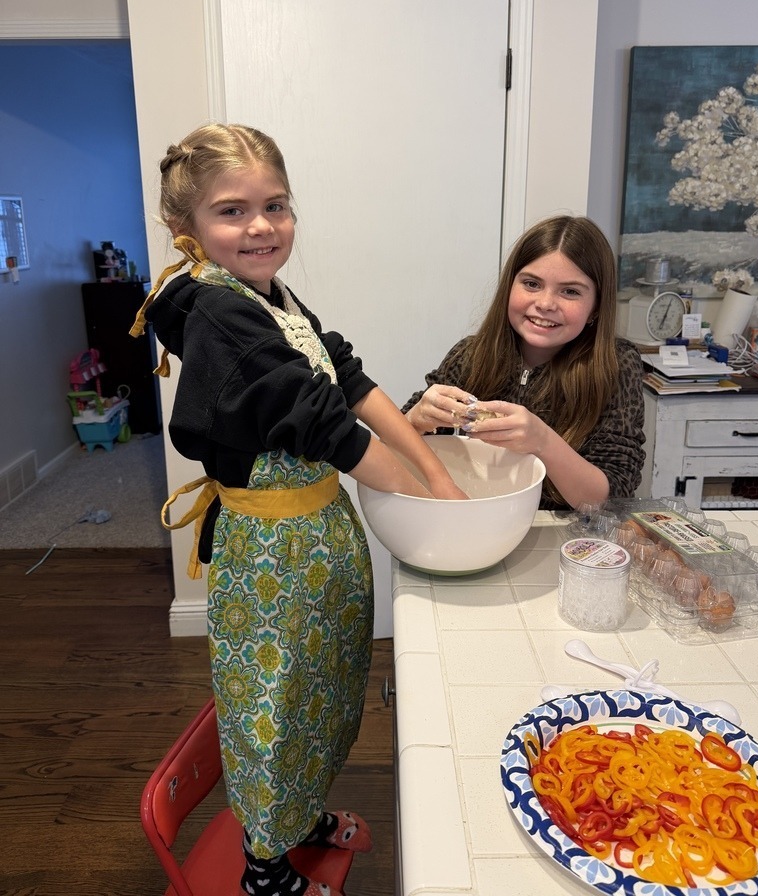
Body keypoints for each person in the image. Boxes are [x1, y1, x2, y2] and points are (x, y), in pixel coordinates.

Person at [130, 123, 465, 896]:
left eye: (275, 205)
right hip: (273, 556)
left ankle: (301, 815)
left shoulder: (269, 293)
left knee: (325, 691)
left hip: (320, 532)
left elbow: (344, 379)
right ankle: (264, 866)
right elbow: (331, 431)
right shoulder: (220, 315)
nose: (260, 226)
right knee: (274, 710)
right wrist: (432, 497)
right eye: (232, 211)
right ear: (189, 230)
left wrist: (432, 473)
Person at [402, 214, 645, 510]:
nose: (545, 304)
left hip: (564, 538)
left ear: (596, 307)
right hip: (477, 521)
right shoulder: (470, 355)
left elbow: (611, 498)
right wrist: (415, 419)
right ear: (509, 288)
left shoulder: (617, 366)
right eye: (531, 284)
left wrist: (542, 440)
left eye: (570, 291)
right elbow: (399, 451)